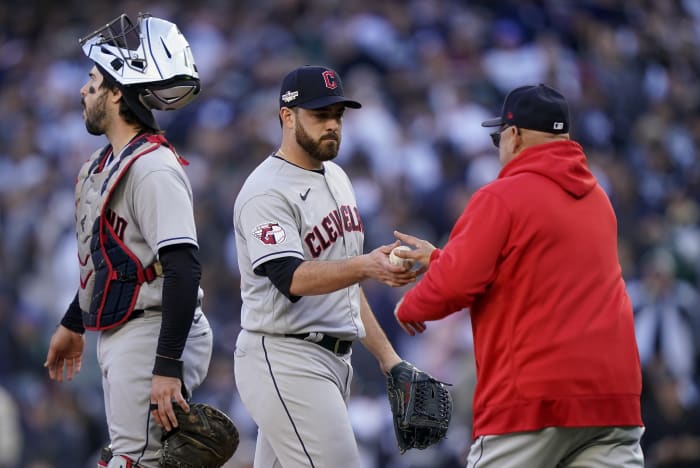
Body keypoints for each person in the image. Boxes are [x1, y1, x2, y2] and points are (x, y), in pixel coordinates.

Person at [391, 84, 645, 467]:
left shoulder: (502, 196)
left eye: (498, 136)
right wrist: (442, 257)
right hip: (612, 401)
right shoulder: (598, 199)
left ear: (514, 134)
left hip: (533, 401)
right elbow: (533, 270)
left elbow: (456, 285)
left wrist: (409, 306)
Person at [43, 13, 213, 468]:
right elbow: (113, 263)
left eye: (93, 81)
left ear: (118, 92)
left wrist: (166, 366)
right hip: (127, 328)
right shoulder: (104, 165)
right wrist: (74, 322)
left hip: (154, 330)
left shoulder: (154, 168)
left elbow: (183, 268)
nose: (84, 89)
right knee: (130, 457)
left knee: (133, 462)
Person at [232, 65, 416, 467]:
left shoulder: (336, 176)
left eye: (337, 115)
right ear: (287, 115)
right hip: (285, 357)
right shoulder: (266, 190)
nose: (332, 124)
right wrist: (366, 265)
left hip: (332, 361)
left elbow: (344, 282)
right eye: (319, 115)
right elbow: (291, 277)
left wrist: (388, 358)